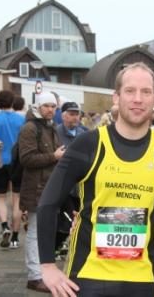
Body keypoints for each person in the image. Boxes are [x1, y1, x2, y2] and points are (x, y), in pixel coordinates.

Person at [37, 62, 154, 297]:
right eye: (130, 91)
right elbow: (48, 203)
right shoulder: (88, 145)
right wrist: (47, 266)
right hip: (90, 277)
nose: (138, 99)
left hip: (143, 278)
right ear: (116, 97)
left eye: (145, 92)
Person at [19, 92, 65, 293]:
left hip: (48, 187)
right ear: (38, 106)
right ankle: (34, 275)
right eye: (47, 106)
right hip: (36, 187)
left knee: (43, 231)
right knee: (35, 233)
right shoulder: (30, 128)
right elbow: (27, 159)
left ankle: (40, 272)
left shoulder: (50, 127)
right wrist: (53, 156)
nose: (50, 110)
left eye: (53, 107)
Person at [0, 90, 25, 248]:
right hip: (18, 162)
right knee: (17, 199)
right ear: (12, 102)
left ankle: (4, 226)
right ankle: (15, 238)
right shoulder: (21, 119)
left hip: (0, 161)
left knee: (1, 197)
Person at [55, 101, 87, 257]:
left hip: (80, 184)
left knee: (79, 218)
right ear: (63, 115)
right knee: (66, 218)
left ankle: (71, 246)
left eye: (77, 114)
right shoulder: (55, 133)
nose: (75, 117)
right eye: (71, 114)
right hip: (62, 184)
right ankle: (57, 245)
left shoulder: (85, 134)